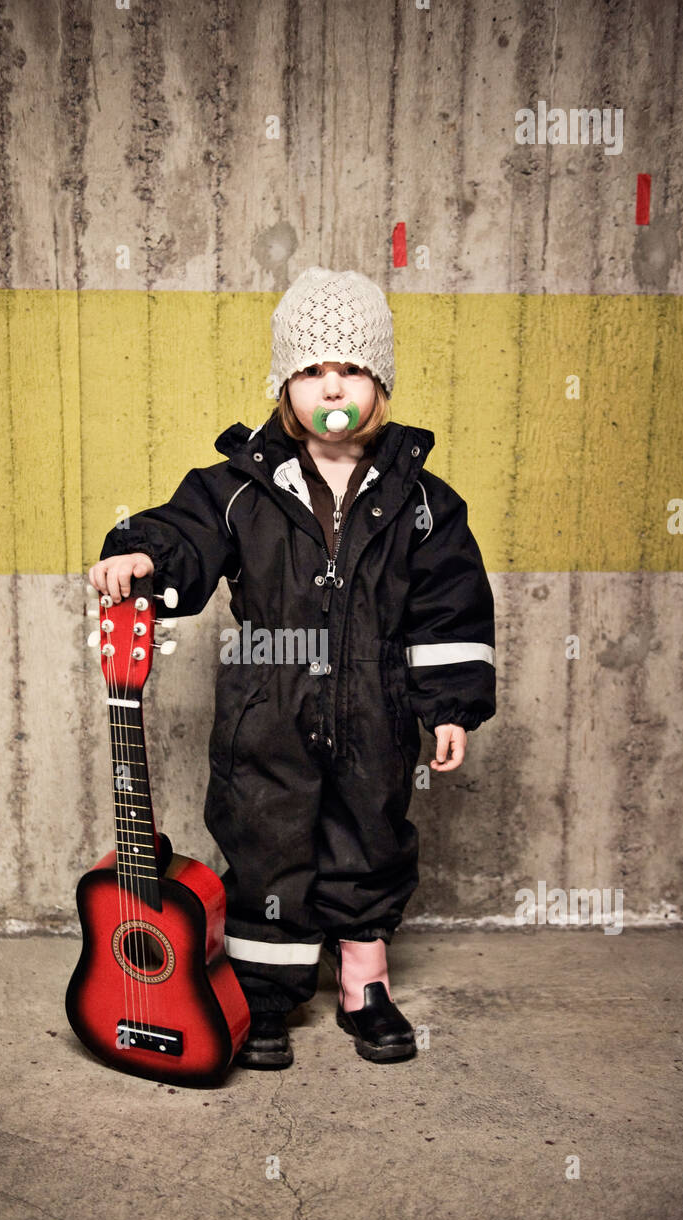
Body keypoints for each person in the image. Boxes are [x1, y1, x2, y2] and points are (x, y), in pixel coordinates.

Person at [88, 266, 496, 1070]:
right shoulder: (242, 487)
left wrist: (448, 704)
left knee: (370, 834)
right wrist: (140, 552)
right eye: (311, 371)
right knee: (265, 836)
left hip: (374, 701)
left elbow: (449, 603)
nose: (330, 386)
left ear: (379, 383)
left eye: (349, 370)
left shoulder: (420, 500)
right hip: (265, 698)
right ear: (285, 385)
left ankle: (363, 984)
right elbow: (186, 531)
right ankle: (265, 993)